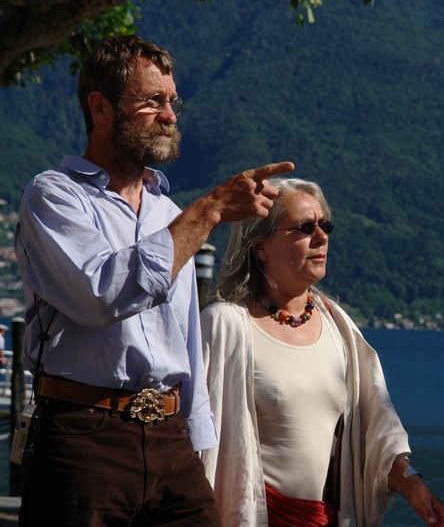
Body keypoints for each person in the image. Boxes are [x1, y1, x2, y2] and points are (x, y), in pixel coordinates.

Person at [15, 34, 294, 525]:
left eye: (172, 102)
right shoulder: (54, 196)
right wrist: (208, 210)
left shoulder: (169, 215)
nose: (169, 115)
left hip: (170, 438)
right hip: (84, 437)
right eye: (152, 101)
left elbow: (185, 339)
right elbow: (100, 295)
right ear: (100, 108)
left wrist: (198, 440)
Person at [199, 177, 444, 526]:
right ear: (260, 247)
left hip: (326, 518)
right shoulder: (225, 325)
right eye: (305, 228)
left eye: (325, 226)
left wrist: (412, 484)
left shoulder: (339, 327)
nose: (321, 237)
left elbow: (376, 433)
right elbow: (193, 442)